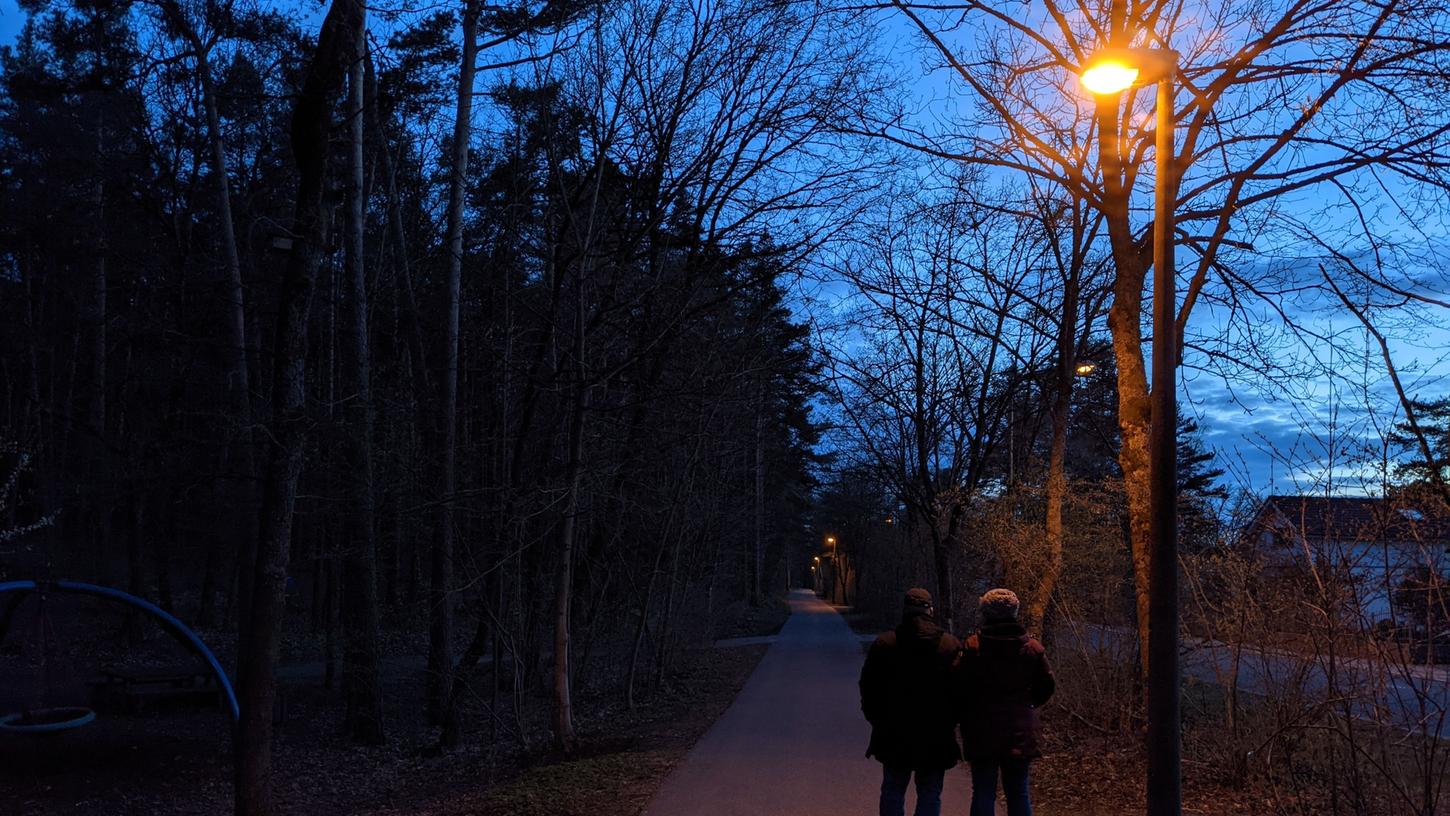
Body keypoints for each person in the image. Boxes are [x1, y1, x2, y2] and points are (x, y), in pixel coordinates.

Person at [859, 587, 963, 816]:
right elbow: (960, 691)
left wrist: (877, 719)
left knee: (893, 791)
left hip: (894, 732)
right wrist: (951, 721)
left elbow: (868, 687)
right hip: (936, 734)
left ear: (905, 610)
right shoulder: (949, 645)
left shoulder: (885, 644)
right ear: (930, 610)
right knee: (930, 792)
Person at [956, 588, 1055, 816]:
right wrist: (1028, 704)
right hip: (1019, 729)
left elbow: (960, 686)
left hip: (981, 729)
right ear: (1015, 612)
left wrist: (967, 713)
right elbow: (1047, 686)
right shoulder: (1032, 649)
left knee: (983, 790)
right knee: (1018, 792)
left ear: (985, 613)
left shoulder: (973, 647)